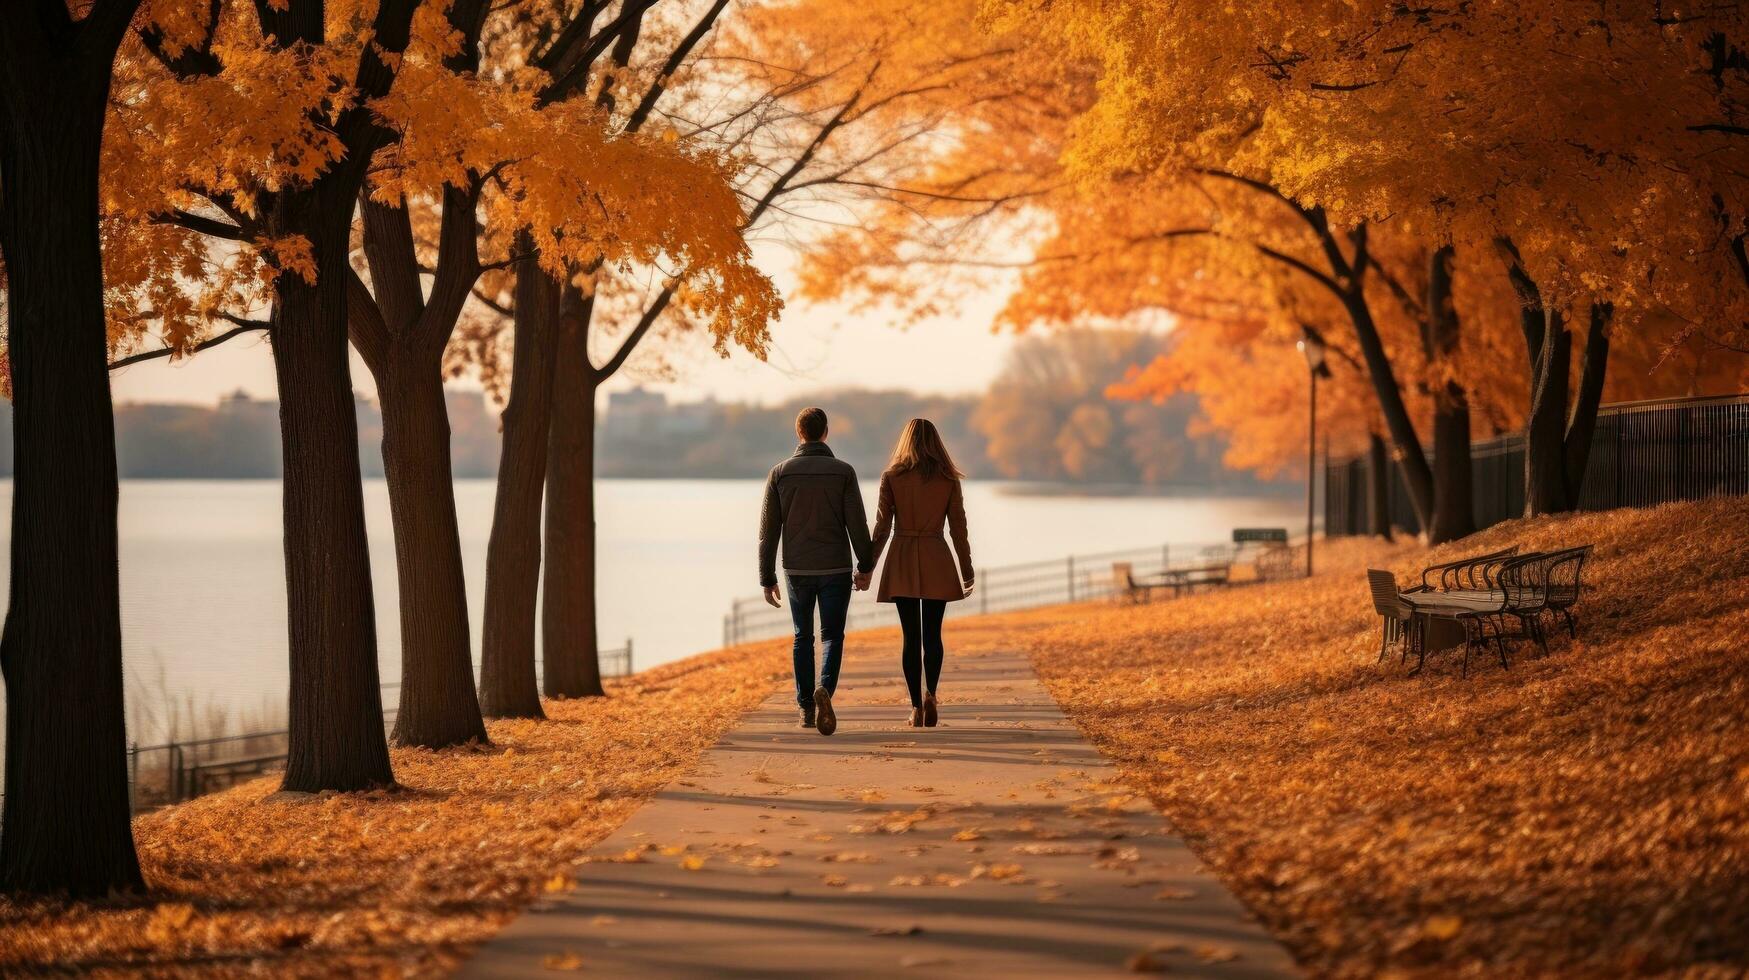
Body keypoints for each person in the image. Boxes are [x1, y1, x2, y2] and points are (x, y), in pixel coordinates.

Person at [758, 407, 874, 736]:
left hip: (796, 569)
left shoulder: (779, 473)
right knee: (833, 636)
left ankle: (806, 709)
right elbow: (857, 524)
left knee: (802, 638)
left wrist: (767, 577)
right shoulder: (844, 472)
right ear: (826, 432)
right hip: (836, 567)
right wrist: (865, 566)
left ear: (799, 434)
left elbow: (768, 531)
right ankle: (825, 689)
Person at [869, 418, 974, 727]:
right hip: (936, 556)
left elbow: (881, 528)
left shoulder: (892, 477)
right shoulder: (948, 479)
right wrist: (966, 569)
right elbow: (959, 529)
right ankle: (932, 693)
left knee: (910, 638)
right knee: (933, 635)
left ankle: (915, 707)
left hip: (902, 556)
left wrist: (867, 567)